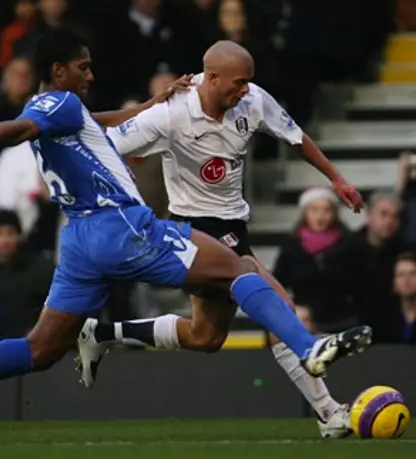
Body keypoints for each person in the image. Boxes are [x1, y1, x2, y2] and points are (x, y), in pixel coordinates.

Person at [0, 29, 371, 445]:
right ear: (58, 70)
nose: (90, 75)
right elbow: (24, 127)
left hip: (79, 242)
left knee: (40, 349)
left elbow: (90, 124)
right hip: (121, 227)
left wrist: (147, 105)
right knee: (242, 269)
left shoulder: (63, 108)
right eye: (82, 68)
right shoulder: (54, 104)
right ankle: (309, 350)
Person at [77, 41, 368, 438]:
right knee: (275, 302)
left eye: (248, 83)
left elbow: (296, 137)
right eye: (238, 83)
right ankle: (327, 408)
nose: (245, 91)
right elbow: (102, 143)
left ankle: (101, 334)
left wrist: (336, 178)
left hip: (232, 225)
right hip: (192, 230)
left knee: (207, 336)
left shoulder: (253, 100)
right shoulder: (168, 114)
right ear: (211, 78)